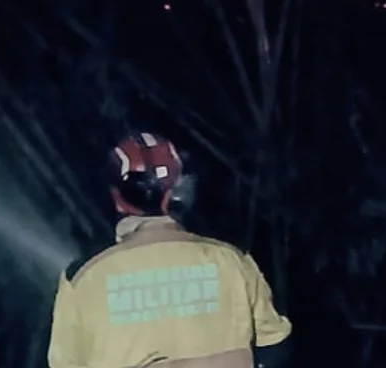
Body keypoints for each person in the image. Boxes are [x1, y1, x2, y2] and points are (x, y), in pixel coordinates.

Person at [48, 132, 292, 368]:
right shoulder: (232, 260)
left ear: (116, 196)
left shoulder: (83, 278)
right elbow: (274, 348)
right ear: (179, 191)